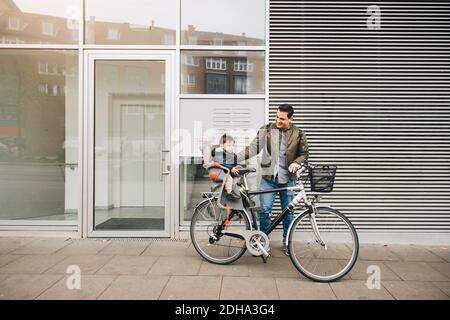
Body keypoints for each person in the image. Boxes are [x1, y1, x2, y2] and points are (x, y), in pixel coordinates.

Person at [236, 104, 309, 255]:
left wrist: (296, 162)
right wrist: (234, 158)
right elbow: (253, 149)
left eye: (282, 118)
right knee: (264, 211)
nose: (278, 120)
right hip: (268, 178)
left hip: (289, 179)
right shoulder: (267, 130)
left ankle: (287, 243)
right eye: (276, 116)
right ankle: (263, 242)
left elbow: (304, 153)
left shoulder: (298, 133)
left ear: (291, 119)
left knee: (288, 213)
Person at [203, 134, 241, 201]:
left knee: (236, 178)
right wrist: (231, 168)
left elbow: (233, 162)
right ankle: (229, 193)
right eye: (229, 145)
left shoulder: (230, 154)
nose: (231, 147)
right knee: (229, 179)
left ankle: (231, 191)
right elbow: (222, 163)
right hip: (220, 171)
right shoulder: (219, 153)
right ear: (221, 146)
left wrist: (236, 166)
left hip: (226, 171)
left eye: (232, 145)